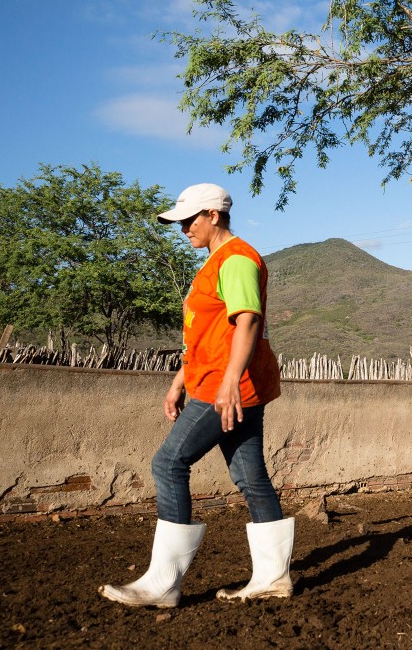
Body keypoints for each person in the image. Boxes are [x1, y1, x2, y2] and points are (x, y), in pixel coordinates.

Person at [100, 183, 293, 608]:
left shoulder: (237, 259)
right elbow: (206, 336)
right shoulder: (215, 262)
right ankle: (274, 577)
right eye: (180, 222)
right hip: (216, 382)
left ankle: (163, 582)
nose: (183, 228)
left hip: (226, 388)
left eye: (189, 220)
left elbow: (246, 323)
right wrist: (178, 381)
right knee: (251, 477)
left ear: (214, 215)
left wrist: (228, 382)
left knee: (169, 463)